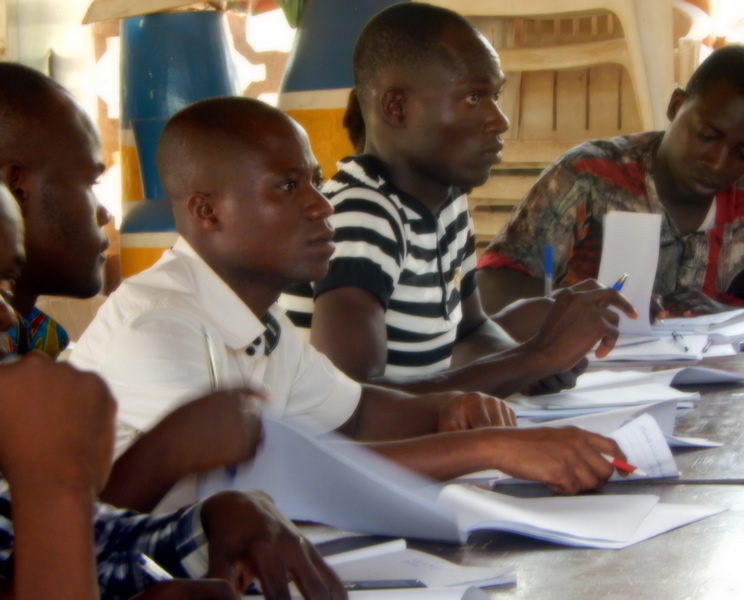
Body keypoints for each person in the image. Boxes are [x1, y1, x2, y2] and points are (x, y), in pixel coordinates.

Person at [71, 95, 629, 497]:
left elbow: (357, 416)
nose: (321, 205)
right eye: (288, 187)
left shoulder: (257, 322)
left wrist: (450, 413)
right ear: (207, 211)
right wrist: (487, 448)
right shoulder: (157, 327)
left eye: (315, 181)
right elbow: (276, 477)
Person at [0, 181, 344, 600]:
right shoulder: (156, 321)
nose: (6, 316)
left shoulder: (267, 322)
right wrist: (55, 484)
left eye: (4, 285)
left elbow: (104, 548)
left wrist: (212, 521)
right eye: (89, 182)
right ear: (207, 212)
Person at [279, 2, 637, 399]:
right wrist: (533, 358)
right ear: (397, 108)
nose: (499, 120)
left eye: (496, 95)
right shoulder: (362, 215)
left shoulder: (446, 202)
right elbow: (355, 404)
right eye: (473, 98)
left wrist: (525, 368)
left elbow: (469, 332)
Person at [0, 62, 271, 516]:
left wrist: (206, 527)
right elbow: (35, 557)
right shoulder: (150, 320)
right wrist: (168, 449)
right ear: (17, 187)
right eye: (90, 183)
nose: (104, 213)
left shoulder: (38, 342)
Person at [477, 44, 744, 318]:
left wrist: (725, 315)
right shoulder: (588, 177)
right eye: (706, 136)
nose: (718, 162)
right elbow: (493, 286)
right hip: (587, 379)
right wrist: (579, 306)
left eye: (743, 153)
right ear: (676, 106)